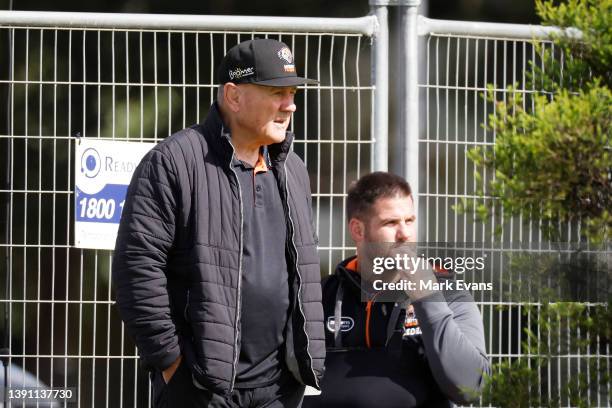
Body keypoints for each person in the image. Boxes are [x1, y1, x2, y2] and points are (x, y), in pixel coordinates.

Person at [112, 39, 325, 408]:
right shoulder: (173, 162)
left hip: (279, 390)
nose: (290, 105)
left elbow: (300, 274)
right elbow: (137, 271)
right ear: (234, 95)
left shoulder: (293, 169)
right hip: (201, 391)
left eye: (292, 93)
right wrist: (172, 365)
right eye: (277, 92)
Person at [303, 172, 490, 408]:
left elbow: (470, 388)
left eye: (409, 220)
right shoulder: (321, 296)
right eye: (391, 223)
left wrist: (427, 297)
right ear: (358, 230)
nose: (405, 234)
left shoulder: (449, 293)